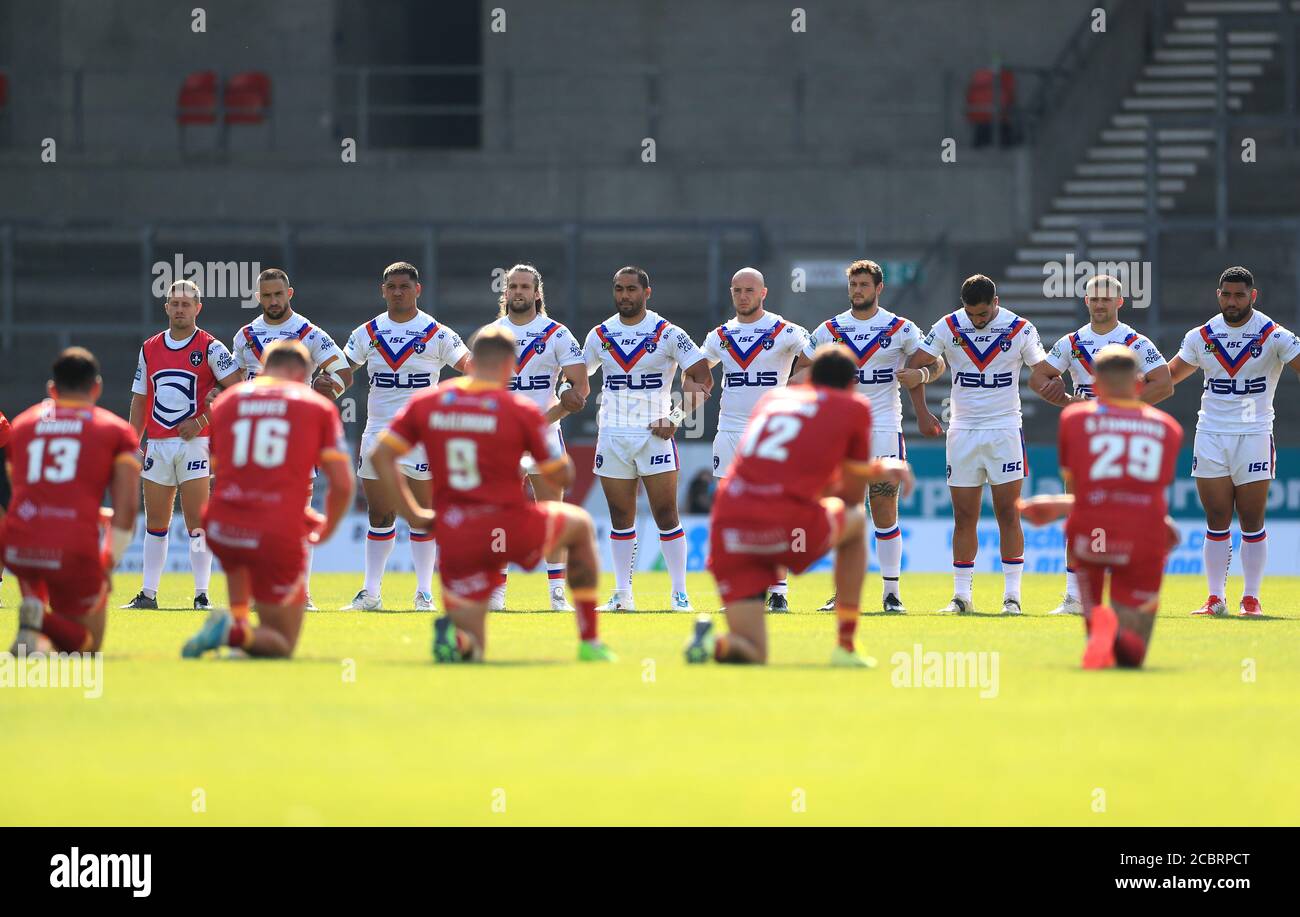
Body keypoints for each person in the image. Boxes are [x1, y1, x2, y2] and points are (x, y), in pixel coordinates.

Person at [368, 325, 616, 663]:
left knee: (473, 646)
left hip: (456, 531)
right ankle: (589, 641)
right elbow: (563, 475)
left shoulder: (430, 402)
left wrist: (413, 514)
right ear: (510, 364)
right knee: (579, 525)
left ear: (472, 359)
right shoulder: (517, 410)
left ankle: (460, 640)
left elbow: (381, 456)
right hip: (510, 525)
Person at [689, 343, 913, 666]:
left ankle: (710, 642)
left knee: (752, 651)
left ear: (808, 379)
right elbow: (849, 497)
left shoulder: (773, 400)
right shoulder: (854, 407)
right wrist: (873, 470)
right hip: (784, 525)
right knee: (855, 521)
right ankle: (846, 646)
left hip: (729, 527)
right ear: (852, 384)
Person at [182, 340, 355, 659]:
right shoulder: (315, 405)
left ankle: (238, 624)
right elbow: (343, 484)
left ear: (262, 369)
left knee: (239, 564)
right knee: (281, 643)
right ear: (301, 373)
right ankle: (233, 631)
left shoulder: (227, 402)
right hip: (275, 530)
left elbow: (219, 469)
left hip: (222, 525)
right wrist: (326, 529)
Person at [791, 259, 943, 613]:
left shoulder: (900, 328)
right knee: (844, 513)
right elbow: (801, 368)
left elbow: (936, 362)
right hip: (839, 434)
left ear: (879, 289)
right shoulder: (830, 329)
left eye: (863, 285)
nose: (857, 291)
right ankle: (842, 592)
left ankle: (892, 594)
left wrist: (921, 377)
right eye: (853, 285)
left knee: (885, 510)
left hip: (885, 428)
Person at [1019, 345, 1183, 668]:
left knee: (1093, 590)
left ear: (1094, 387)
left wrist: (1055, 505)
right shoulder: (1168, 429)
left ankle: (1097, 626)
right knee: (1134, 654)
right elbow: (1151, 490)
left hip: (1092, 532)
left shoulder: (1075, 419)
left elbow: (1079, 488)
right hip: (1144, 534)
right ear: (1139, 384)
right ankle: (1123, 639)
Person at [906, 274, 1057, 615]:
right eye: (971, 315)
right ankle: (961, 597)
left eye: (983, 315)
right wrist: (922, 413)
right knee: (964, 517)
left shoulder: (1020, 328)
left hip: (1004, 429)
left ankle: (1012, 598)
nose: (976, 321)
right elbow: (913, 367)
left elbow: (1042, 370)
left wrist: (1058, 386)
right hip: (961, 430)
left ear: (996, 303)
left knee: (1008, 513)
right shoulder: (947, 326)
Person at [1029, 273, 1173, 615]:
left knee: (1125, 509)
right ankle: (1075, 597)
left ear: (1119, 302)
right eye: (1094, 298)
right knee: (1081, 512)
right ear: (1086, 301)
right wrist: (1063, 400)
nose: (1099, 304)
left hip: (1122, 439)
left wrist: (1123, 409)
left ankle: (1126, 591)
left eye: (1106, 298)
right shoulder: (1072, 342)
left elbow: (1164, 383)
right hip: (1087, 438)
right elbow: (1038, 377)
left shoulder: (1135, 342)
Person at [1166, 265, 1300, 617]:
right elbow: (1168, 378)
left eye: (1240, 295)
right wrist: (1127, 392)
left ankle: (1251, 598)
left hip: (1255, 434)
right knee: (1216, 517)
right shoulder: (1201, 336)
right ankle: (1215, 598)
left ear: (1252, 296)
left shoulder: (1274, 335)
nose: (1232, 301)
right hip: (1210, 434)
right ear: (1218, 295)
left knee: (1252, 519)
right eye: (1226, 294)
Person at [582, 265, 713, 612]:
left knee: (666, 515)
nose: (625, 296)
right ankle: (622, 595)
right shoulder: (600, 334)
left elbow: (703, 378)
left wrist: (676, 418)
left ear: (646, 292)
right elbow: (578, 377)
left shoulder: (668, 333)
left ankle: (680, 593)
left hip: (653, 437)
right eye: (619, 289)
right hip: (612, 435)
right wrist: (566, 388)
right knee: (620, 518)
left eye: (631, 289)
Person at [342, 262, 469, 612]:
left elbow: (470, 367)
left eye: (404, 286)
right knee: (379, 515)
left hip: (422, 436)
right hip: (378, 433)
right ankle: (370, 593)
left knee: (422, 514)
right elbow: (341, 371)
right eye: (391, 286)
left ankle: (424, 593)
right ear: (383, 290)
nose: (398, 292)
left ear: (418, 290)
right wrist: (323, 386)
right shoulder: (367, 332)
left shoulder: (437, 333)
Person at [231, 267, 353, 610]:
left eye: (278, 294)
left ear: (290, 294)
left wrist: (327, 392)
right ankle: (258, 591)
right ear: (258, 297)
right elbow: (233, 381)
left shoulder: (309, 333)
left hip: (296, 436)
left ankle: (302, 591)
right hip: (255, 438)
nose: (272, 301)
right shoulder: (244, 335)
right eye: (266, 295)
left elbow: (342, 373)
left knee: (297, 516)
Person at [3, 347, 140, 653]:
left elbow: (21, 487)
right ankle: (41, 620)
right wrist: (107, 561)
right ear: (97, 387)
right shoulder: (115, 429)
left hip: (19, 542)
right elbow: (128, 508)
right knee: (87, 645)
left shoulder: (23, 425)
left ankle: (34, 626)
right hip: (72, 545)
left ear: (52, 389)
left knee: (48, 643)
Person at [122, 279, 241, 611]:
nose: (179, 309)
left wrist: (202, 421)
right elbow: (140, 399)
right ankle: (148, 594)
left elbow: (235, 390)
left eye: (186, 304)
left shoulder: (211, 347)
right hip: (158, 445)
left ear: (197, 308)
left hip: (195, 445)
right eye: (174, 303)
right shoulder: (149, 347)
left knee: (197, 523)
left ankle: (202, 595)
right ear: (166, 307)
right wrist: (134, 441)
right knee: (155, 523)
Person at [700, 267, 810, 611]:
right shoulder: (719, 335)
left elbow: (814, 360)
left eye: (749, 290)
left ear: (764, 293)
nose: (742, 296)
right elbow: (698, 373)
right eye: (736, 290)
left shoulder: (785, 331)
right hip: (730, 431)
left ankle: (778, 591)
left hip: (771, 432)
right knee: (731, 514)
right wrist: (685, 403)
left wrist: (797, 384)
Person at [488, 263, 589, 612]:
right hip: (500, 440)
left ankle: (557, 592)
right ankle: (497, 592)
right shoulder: (492, 334)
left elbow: (580, 389)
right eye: (512, 286)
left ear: (537, 293)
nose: (518, 291)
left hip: (545, 435)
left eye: (525, 286)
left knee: (551, 513)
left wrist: (544, 419)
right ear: (506, 293)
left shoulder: (557, 334)